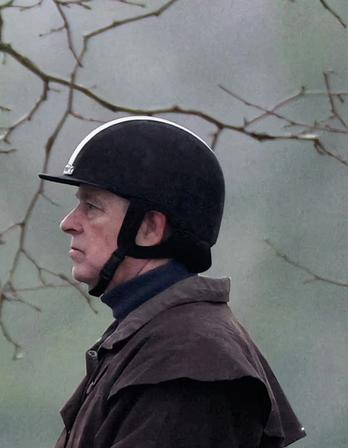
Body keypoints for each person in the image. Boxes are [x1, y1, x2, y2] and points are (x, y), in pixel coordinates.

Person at [38, 116, 306, 448]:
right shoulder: (155, 339)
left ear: (150, 227)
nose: (68, 223)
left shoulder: (189, 358)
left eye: (92, 206)